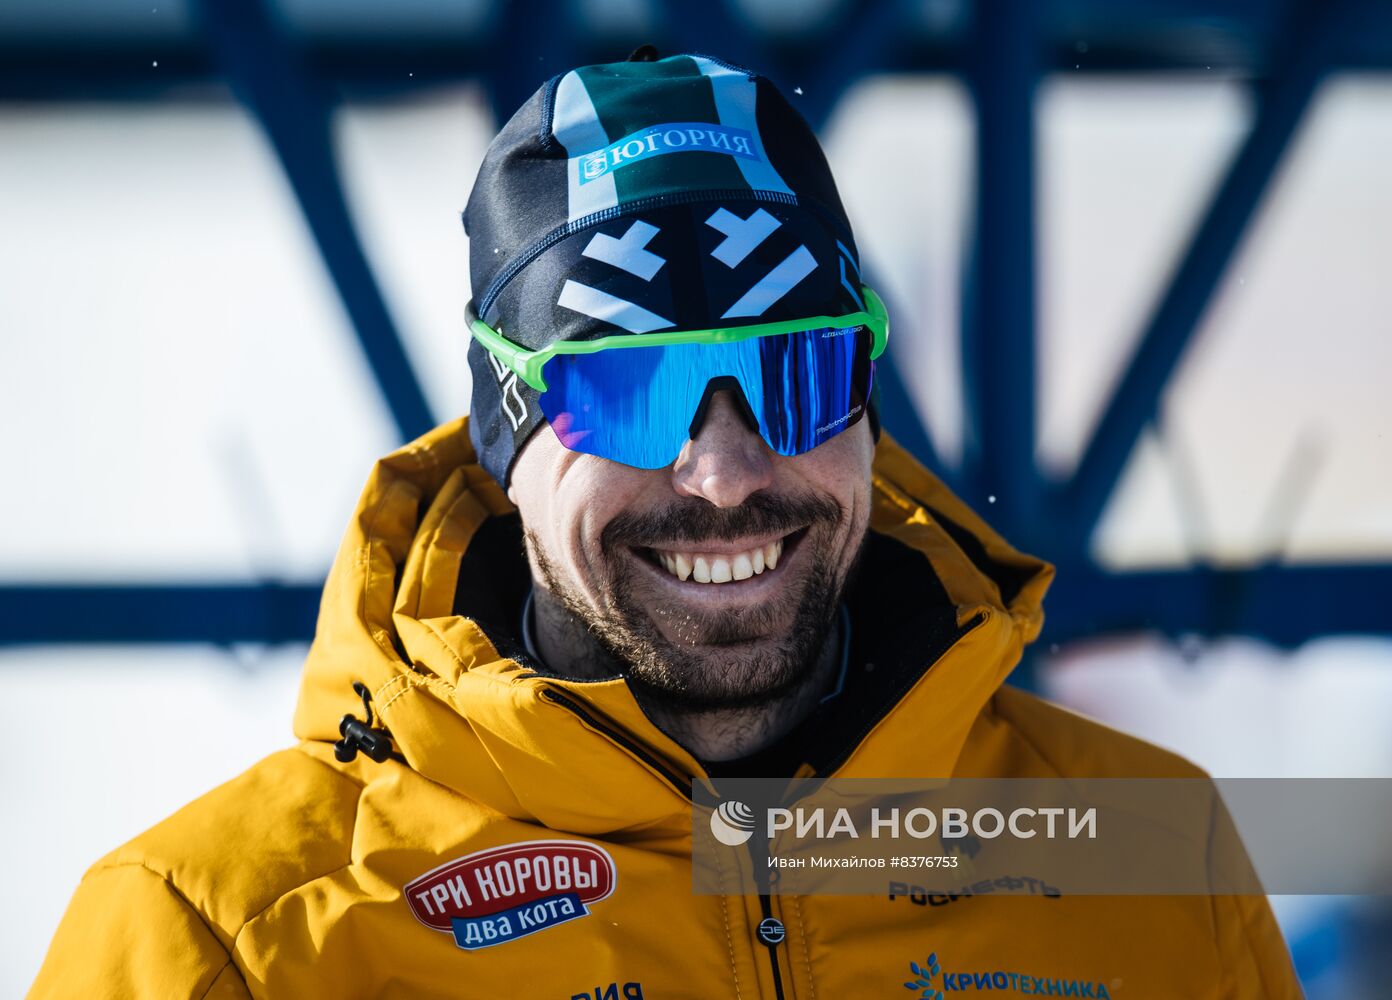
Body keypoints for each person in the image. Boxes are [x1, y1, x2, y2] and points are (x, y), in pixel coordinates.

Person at [32, 50, 1301, 999]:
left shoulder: (1152, 857)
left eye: (795, 372)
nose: (724, 474)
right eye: (628, 394)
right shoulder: (222, 937)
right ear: (504, 436)